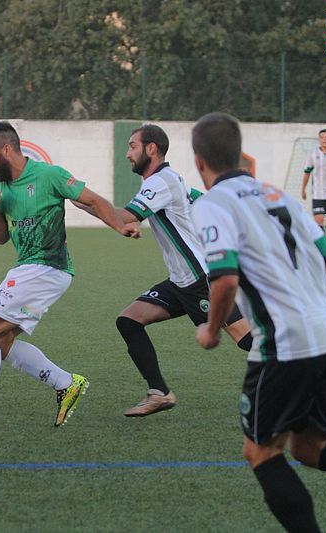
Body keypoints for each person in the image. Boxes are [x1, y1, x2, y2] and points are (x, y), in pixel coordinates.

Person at [191, 112, 326, 532]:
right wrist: (324, 322)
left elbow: (225, 279)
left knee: (260, 452)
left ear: (198, 161)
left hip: (283, 344)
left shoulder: (212, 204)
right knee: (310, 449)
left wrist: (210, 330)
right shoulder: (277, 194)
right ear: (239, 154)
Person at [0, 121, 137, 431]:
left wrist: (120, 226)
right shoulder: (0, 186)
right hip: (29, 267)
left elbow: (93, 200)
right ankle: (66, 383)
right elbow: (1, 238)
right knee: (1, 340)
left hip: (47, 267)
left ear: (7, 149)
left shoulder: (49, 175)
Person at [75, 124, 252, 417]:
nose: (127, 153)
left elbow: (124, 217)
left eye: (132, 146)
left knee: (246, 339)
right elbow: (195, 200)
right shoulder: (168, 179)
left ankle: (304, 372)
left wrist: (81, 197)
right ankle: (159, 393)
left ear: (151, 148)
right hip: (181, 282)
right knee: (129, 321)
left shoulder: (159, 182)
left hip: (201, 279)